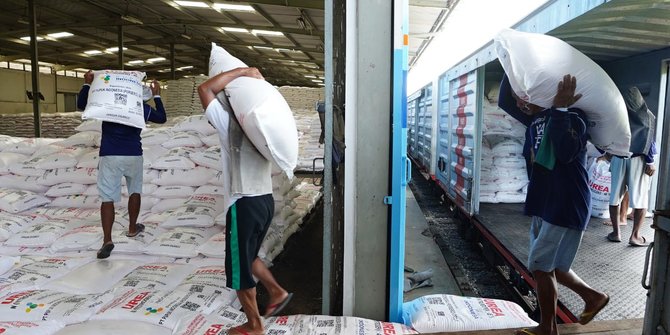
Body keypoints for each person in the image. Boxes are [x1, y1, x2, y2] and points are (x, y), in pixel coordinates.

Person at [499, 74, 609, 335]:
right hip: (544, 202)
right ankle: (591, 299)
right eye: (520, 97)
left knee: (540, 266)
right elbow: (505, 99)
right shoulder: (535, 118)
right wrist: (512, 59)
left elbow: (566, 152)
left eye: (525, 96)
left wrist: (559, 107)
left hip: (565, 202)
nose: (520, 102)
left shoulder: (573, 117)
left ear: (544, 94)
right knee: (554, 268)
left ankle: (548, 328)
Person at [197, 67, 292, 335]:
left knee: (238, 268)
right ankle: (276, 291)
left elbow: (204, 89)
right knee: (249, 258)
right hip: (264, 200)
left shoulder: (229, 122)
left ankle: (254, 325)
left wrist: (241, 72)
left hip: (244, 203)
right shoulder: (261, 127)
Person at [77, 70, 167, 259]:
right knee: (135, 191)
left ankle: (107, 240)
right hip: (134, 154)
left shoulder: (108, 104)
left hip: (110, 155)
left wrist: (87, 83)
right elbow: (162, 118)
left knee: (107, 198)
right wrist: (157, 95)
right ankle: (132, 228)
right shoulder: (141, 108)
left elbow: (81, 105)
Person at [606, 86, 657, 245]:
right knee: (641, 198)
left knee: (614, 197)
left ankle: (616, 233)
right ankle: (635, 236)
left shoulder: (617, 113)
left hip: (618, 158)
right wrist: (650, 161)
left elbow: (607, 133)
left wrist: (607, 152)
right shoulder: (647, 115)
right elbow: (650, 140)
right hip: (638, 159)